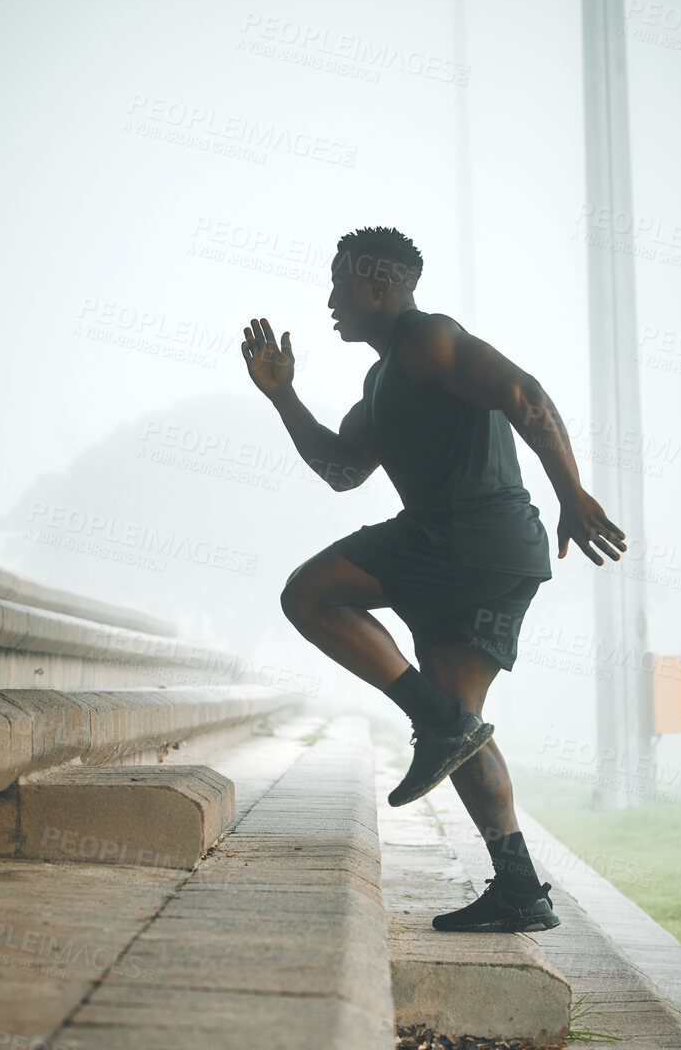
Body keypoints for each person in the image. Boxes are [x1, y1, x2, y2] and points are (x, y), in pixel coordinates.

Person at [241, 224, 626, 934]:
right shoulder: (383, 378)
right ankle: (517, 885)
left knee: (308, 593)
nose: (330, 299)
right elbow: (342, 470)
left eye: (340, 283)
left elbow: (525, 395)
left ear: (378, 286)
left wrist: (572, 493)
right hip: (496, 555)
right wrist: (282, 398)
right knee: (461, 723)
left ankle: (437, 721)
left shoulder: (427, 340)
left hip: (466, 536)